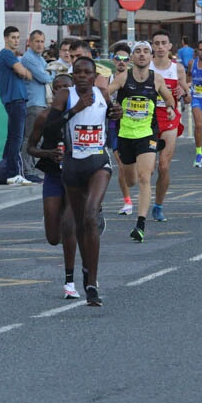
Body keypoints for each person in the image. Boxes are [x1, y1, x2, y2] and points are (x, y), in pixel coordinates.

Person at [45, 56, 116, 306]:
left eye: (87, 72)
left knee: (89, 214)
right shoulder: (65, 95)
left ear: (95, 75)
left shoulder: (102, 93)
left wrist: (115, 113)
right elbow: (51, 128)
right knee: (75, 222)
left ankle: (92, 284)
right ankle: (84, 270)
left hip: (98, 162)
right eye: (78, 73)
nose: (82, 76)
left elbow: (112, 117)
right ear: (73, 74)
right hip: (73, 165)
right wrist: (74, 110)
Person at [109, 41, 175, 243]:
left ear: (151, 56)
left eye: (146, 51)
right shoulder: (122, 78)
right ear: (133, 57)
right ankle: (133, 185)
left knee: (145, 176)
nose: (142, 55)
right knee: (131, 180)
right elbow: (104, 93)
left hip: (147, 134)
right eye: (137, 51)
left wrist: (171, 108)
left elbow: (169, 97)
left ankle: (140, 224)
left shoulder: (156, 79)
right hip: (125, 135)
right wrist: (111, 106)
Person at [26, 74, 80, 299]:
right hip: (53, 175)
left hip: (76, 176)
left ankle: (70, 282)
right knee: (52, 237)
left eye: (65, 87)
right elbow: (30, 147)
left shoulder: (82, 114)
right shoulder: (44, 116)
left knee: (69, 227)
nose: (61, 92)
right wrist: (48, 153)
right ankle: (55, 219)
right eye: (57, 88)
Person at [148, 30, 189, 222]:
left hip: (170, 118)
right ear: (152, 46)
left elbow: (188, 96)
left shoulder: (177, 69)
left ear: (170, 46)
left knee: (163, 166)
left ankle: (158, 205)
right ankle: (143, 200)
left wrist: (182, 91)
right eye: (157, 43)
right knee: (148, 168)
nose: (160, 47)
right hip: (147, 120)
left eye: (164, 43)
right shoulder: (145, 67)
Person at [0, 26, 34, 185]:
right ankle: (13, 172)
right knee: (16, 137)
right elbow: (24, 73)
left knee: (13, 138)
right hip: (15, 100)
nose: (16, 41)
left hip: (18, 100)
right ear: (6, 38)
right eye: (13, 37)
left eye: (18, 37)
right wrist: (27, 72)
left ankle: (3, 173)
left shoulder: (11, 55)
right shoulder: (6, 54)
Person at [21, 29, 54, 183]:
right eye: (37, 41)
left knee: (38, 139)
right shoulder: (29, 58)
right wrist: (52, 74)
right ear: (30, 42)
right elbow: (44, 77)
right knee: (29, 139)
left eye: (42, 41)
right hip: (34, 103)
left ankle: (31, 169)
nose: (40, 44)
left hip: (42, 103)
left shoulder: (40, 59)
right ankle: (27, 170)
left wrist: (50, 74)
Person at [108, 43, 135, 215]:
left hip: (133, 126)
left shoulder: (134, 79)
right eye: (118, 58)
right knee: (121, 163)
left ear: (129, 61)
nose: (121, 62)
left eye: (125, 59)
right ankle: (127, 202)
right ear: (113, 60)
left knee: (134, 166)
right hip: (113, 126)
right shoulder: (107, 80)